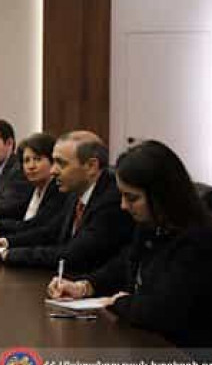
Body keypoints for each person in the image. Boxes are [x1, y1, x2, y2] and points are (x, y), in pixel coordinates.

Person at [47, 140, 212, 350]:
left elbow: (162, 312)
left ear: (162, 195)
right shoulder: (151, 224)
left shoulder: (198, 239)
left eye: (132, 198)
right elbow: (124, 263)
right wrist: (84, 286)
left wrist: (120, 303)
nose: (124, 206)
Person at [0, 131, 133, 273]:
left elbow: (72, 255)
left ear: (91, 166)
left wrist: (3, 254)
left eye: (61, 163)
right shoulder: (76, 189)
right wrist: (5, 242)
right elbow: (50, 231)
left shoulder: (111, 200)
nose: (53, 170)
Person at [0, 133, 69, 235]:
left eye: (37, 159)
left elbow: (36, 228)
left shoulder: (57, 191)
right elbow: (19, 218)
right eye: (26, 161)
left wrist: (3, 239)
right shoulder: (33, 188)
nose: (31, 166)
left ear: (52, 161)